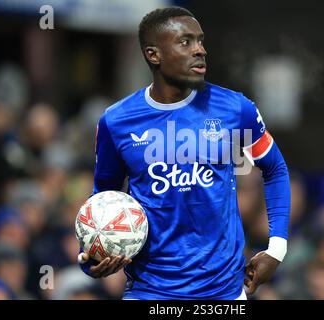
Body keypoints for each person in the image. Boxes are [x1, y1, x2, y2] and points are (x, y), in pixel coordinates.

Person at [77, 6, 291, 300]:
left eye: (200, 41)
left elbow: (275, 169)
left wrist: (276, 249)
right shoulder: (116, 121)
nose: (200, 50)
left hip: (224, 291)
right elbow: (103, 198)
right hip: (149, 291)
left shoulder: (234, 108)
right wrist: (91, 256)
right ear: (154, 55)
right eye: (185, 42)